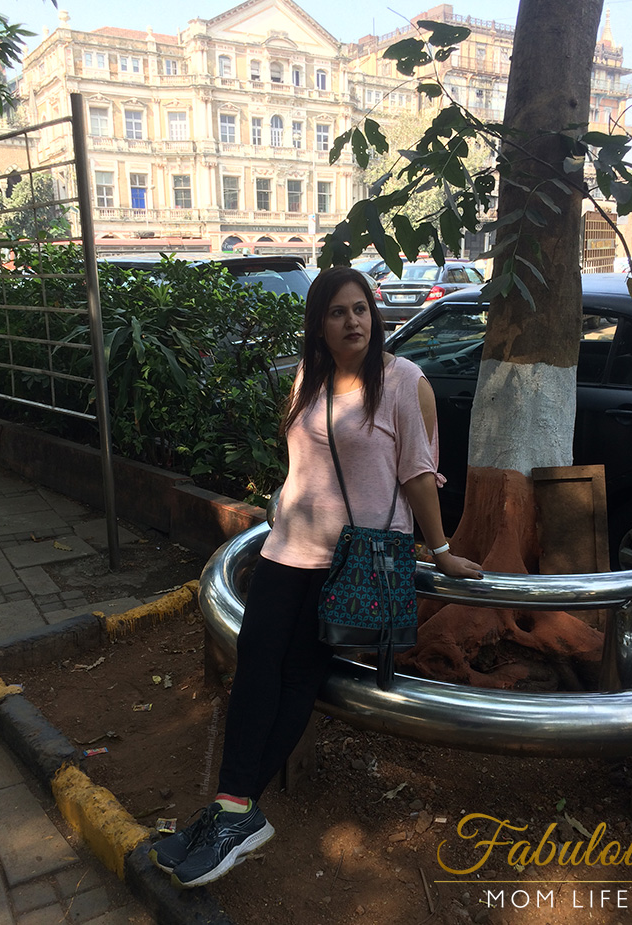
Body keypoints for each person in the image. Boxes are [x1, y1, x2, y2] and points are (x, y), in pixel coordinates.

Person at [149, 266, 483, 888]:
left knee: (299, 674)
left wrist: (439, 549)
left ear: (375, 315)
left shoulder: (406, 381)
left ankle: (232, 812)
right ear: (319, 324)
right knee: (256, 666)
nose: (353, 321)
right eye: (338, 312)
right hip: (286, 548)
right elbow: (303, 460)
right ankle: (236, 810)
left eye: (361, 309)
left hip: (349, 561)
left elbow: (418, 473)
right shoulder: (311, 376)